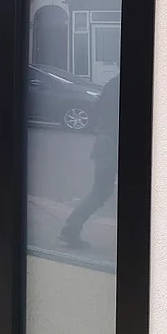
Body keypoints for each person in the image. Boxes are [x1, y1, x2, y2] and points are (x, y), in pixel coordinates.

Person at [59, 73, 120, 249]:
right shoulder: (120, 84)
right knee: (102, 191)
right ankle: (70, 229)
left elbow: (98, 108)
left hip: (105, 143)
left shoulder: (112, 83)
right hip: (111, 144)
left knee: (100, 191)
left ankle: (70, 228)